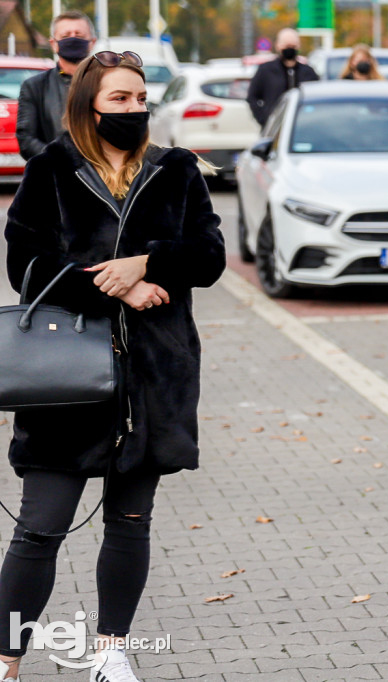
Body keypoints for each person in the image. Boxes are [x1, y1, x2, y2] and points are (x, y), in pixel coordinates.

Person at [1, 50, 225, 682]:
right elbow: (28, 267)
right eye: (118, 99)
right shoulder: (51, 168)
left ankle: (111, 651)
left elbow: (208, 257)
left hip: (155, 375)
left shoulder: (176, 169)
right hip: (66, 377)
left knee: (130, 523)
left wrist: (148, 263)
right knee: (40, 528)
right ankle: (6, 657)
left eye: (138, 97)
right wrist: (116, 284)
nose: (132, 108)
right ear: (87, 106)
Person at [16, 10, 96, 160]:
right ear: (53, 44)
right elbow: (26, 138)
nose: (72, 39)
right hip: (53, 177)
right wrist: (60, 159)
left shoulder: (107, 83)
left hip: (102, 176)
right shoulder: (34, 87)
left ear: (92, 42)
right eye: (65, 36)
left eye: (79, 35)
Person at [245, 28, 318, 127]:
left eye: (293, 46)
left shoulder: (308, 72)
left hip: (302, 127)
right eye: (287, 46)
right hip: (274, 127)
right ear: (278, 46)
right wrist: (264, 119)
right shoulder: (266, 70)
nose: (290, 49)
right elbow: (252, 97)